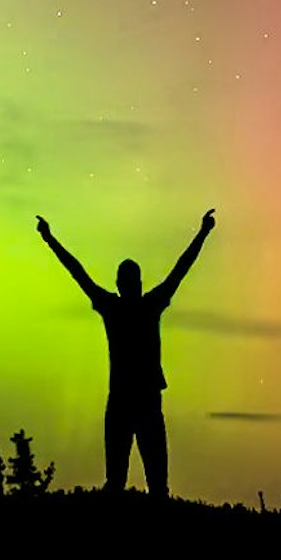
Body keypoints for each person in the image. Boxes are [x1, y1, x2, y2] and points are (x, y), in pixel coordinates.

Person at [36, 208, 215, 497]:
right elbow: (179, 270)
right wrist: (203, 233)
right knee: (144, 485)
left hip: (129, 400)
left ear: (120, 284)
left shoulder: (117, 306)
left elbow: (78, 272)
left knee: (129, 483)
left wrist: (49, 239)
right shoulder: (146, 305)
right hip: (138, 400)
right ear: (136, 284)